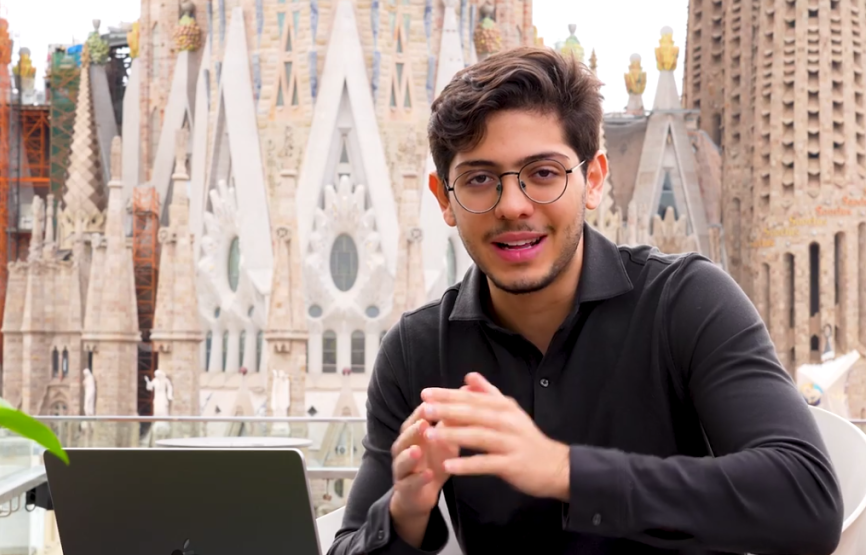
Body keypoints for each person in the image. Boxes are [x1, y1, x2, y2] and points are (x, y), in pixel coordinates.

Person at [327, 47, 843, 555]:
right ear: (445, 199)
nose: (513, 205)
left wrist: (564, 470)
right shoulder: (417, 351)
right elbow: (348, 545)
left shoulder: (685, 301)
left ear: (592, 181)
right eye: (479, 179)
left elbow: (806, 500)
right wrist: (406, 511)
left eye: (543, 173)